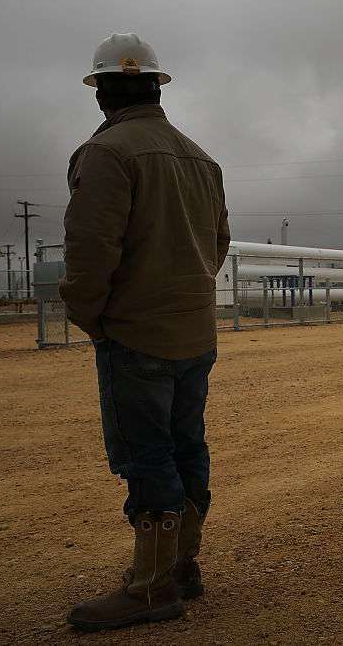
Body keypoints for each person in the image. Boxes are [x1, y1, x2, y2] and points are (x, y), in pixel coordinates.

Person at [60, 33, 230, 632]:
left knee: (148, 453)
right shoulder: (198, 157)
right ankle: (183, 566)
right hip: (194, 334)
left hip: (136, 335)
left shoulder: (106, 154)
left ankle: (152, 588)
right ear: (158, 85)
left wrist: (95, 316)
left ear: (101, 89)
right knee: (188, 446)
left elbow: (89, 252)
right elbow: (220, 243)